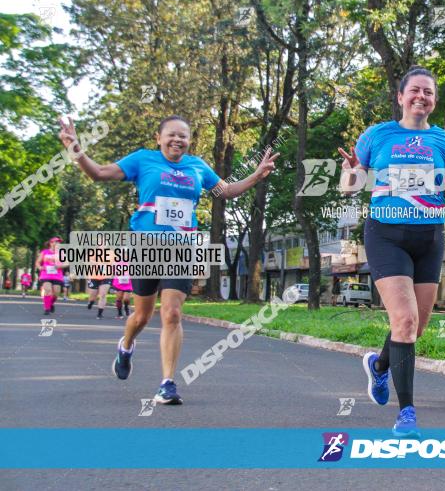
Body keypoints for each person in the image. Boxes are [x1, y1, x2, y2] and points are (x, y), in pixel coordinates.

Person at [59, 114, 278, 405]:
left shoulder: (197, 166)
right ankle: (126, 346)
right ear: (159, 138)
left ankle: (167, 383)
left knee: (172, 313)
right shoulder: (142, 160)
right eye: (171, 135)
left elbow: (224, 191)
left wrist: (256, 175)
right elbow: (99, 173)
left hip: (182, 248)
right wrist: (76, 149)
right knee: (141, 316)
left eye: (183, 136)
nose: (177, 140)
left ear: (189, 141)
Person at [339, 66, 445, 438]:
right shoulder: (377, 135)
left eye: (429, 92)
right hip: (386, 235)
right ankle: (406, 414)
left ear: (434, 101)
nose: (421, 96)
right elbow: (349, 189)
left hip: (429, 239)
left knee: (416, 326)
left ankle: (380, 365)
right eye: (414, 91)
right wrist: (352, 173)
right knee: (403, 321)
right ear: (401, 97)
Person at [36, 238, 65, 315]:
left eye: (59, 242)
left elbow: (67, 263)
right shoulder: (44, 252)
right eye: (56, 242)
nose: (57, 244)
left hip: (57, 275)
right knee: (48, 290)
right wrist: (40, 267)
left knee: (56, 293)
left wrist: (59, 266)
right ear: (51, 243)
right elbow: (38, 262)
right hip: (46, 274)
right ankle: (47, 309)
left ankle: (51, 304)